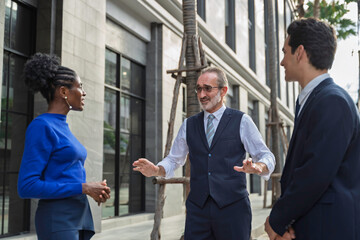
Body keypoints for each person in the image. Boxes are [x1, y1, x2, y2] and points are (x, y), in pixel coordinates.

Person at [133, 66, 275, 240]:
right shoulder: (189, 125)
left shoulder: (242, 121)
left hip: (233, 210)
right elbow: (174, 159)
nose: (201, 95)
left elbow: (267, 156)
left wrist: (259, 166)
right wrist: (157, 170)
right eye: (199, 89)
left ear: (223, 91)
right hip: (197, 211)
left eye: (208, 88)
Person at [265, 18, 360, 240]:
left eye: (285, 52)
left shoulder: (332, 101)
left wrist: (276, 221)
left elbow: (314, 173)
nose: (281, 61)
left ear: (299, 53)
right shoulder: (314, 99)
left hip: (329, 228)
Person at [18, 53, 111, 240]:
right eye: (80, 87)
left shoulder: (62, 125)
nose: (83, 93)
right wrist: (83, 187)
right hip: (58, 219)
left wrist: (93, 190)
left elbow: (66, 174)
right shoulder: (42, 126)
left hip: (78, 215)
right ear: (63, 92)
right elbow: (26, 186)